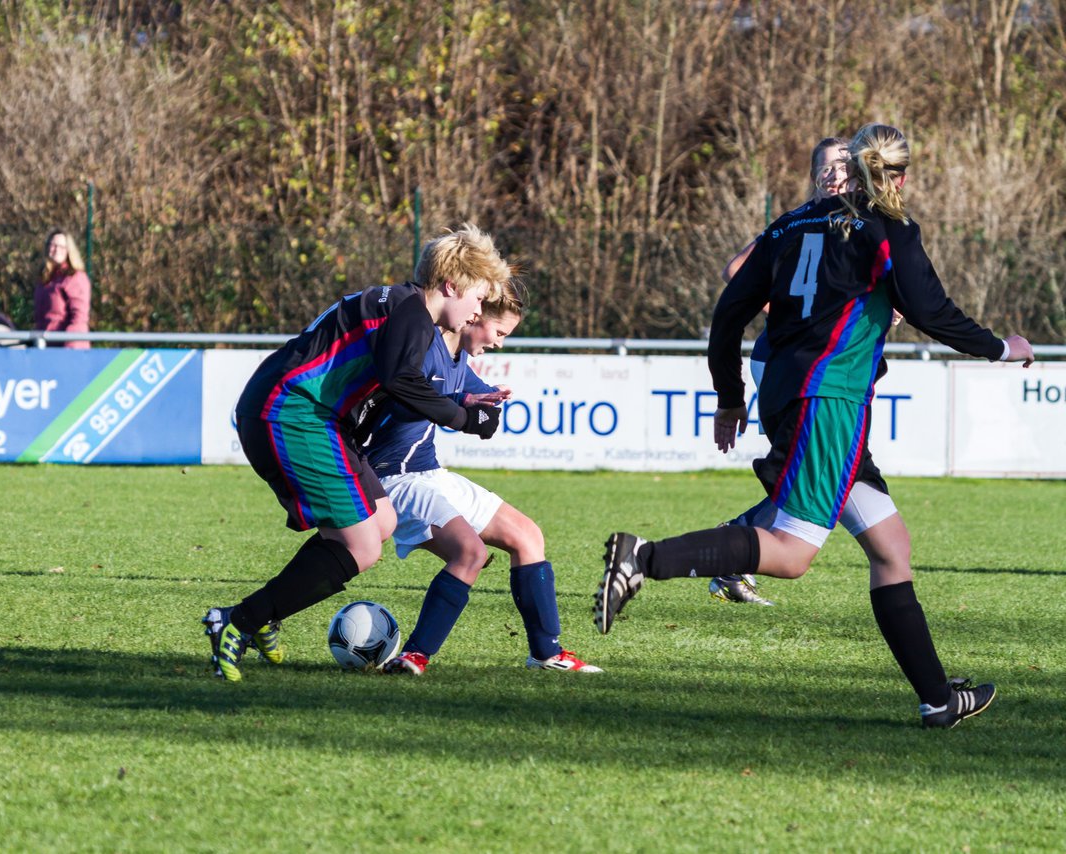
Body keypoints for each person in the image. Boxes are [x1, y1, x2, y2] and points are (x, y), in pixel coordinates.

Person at [595, 123, 1035, 728]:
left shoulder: (789, 225)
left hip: (789, 392)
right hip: (828, 399)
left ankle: (938, 697)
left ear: (852, 167)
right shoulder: (888, 227)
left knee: (890, 545)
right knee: (794, 553)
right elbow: (932, 310)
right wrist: (1001, 348)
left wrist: (729, 396)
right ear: (900, 176)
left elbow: (728, 317)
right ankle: (644, 558)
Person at [202, 224, 510, 682]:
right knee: (363, 545)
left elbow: (400, 379)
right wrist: (461, 416)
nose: (478, 312)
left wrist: (462, 402)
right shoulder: (411, 312)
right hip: (292, 411)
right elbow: (399, 382)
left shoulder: (405, 309)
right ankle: (239, 621)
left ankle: (263, 613)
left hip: (311, 415)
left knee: (381, 522)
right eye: (478, 299)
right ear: (452, 285)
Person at [364, 281, 600, 675]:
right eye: (499, 332)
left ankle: (547, 653)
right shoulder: (424, 351)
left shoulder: (458, 360)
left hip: (430, 472)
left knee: (527, 536)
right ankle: (414, 655)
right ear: (475, 315)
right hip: (394, 480)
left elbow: (484, 413)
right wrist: (461, 408)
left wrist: (483, 409)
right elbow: (409, 397)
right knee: (470, 554)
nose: (500, 344)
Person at [709, 137, 851, 606]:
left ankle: (737, 546)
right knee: (812, 472)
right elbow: (736, 268)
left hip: (821, 369)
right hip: (784, 360)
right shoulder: (798, 222)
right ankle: (736, 543)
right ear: (814, 175)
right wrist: (778, 306)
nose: (835, 174)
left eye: (843, 166)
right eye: (826, 167)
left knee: (826, 472)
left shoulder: (855, 223)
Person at [34, 229, 91, 349]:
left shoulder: (75, 278)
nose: (56, 250)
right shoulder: (45, 279)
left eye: (61, 246)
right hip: (45, 346)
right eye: (53, 245)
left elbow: (79, 318)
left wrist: (70, 347)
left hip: (67, 348)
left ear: (69, 250)